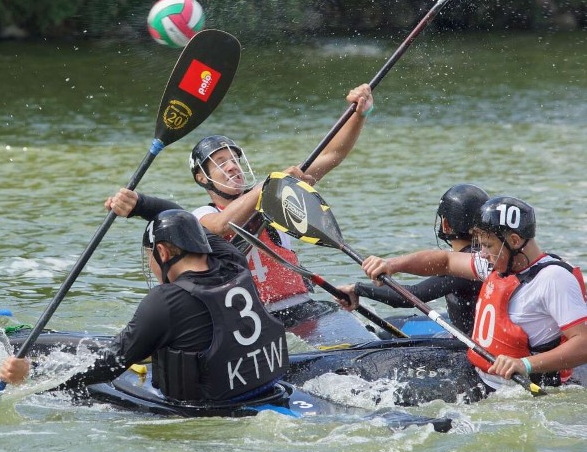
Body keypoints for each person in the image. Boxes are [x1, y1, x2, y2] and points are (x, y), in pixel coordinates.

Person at [0, 206, 288, 403]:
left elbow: (107, 367)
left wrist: (33, 376)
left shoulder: (165, 301)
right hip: (269, 389)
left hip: (209, 411)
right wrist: (140, 204)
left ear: (162, 251)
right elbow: (185, 219)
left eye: (151, 256)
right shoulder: (234, 262)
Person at [187, 84, 374, 327]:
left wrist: (359, 114)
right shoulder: (202, 215)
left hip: (301, 307)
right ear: (202, 178)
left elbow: (332, 155)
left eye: (234, 159)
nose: (233, 166)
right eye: (221, 162)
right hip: (251, 320)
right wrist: (271, 182)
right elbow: (223, 226)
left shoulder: (277, 194)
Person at [358, 196, 587, 391]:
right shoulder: (499, 263)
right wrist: (392, 264)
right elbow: (445, 261)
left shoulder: (553, 279)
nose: (483, 254)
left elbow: (583, 343)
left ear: (515, 241)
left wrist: (525, 365)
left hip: (519, 390)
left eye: (488, 245)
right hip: (481, 378)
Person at [336, 183, 489, 335]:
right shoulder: (485, 256)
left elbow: (412, 297)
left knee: (382, 334)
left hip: (470, 346)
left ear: (446, 224)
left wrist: (357, 288)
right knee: (392, 323)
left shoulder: (465, 266)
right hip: (470, 333)